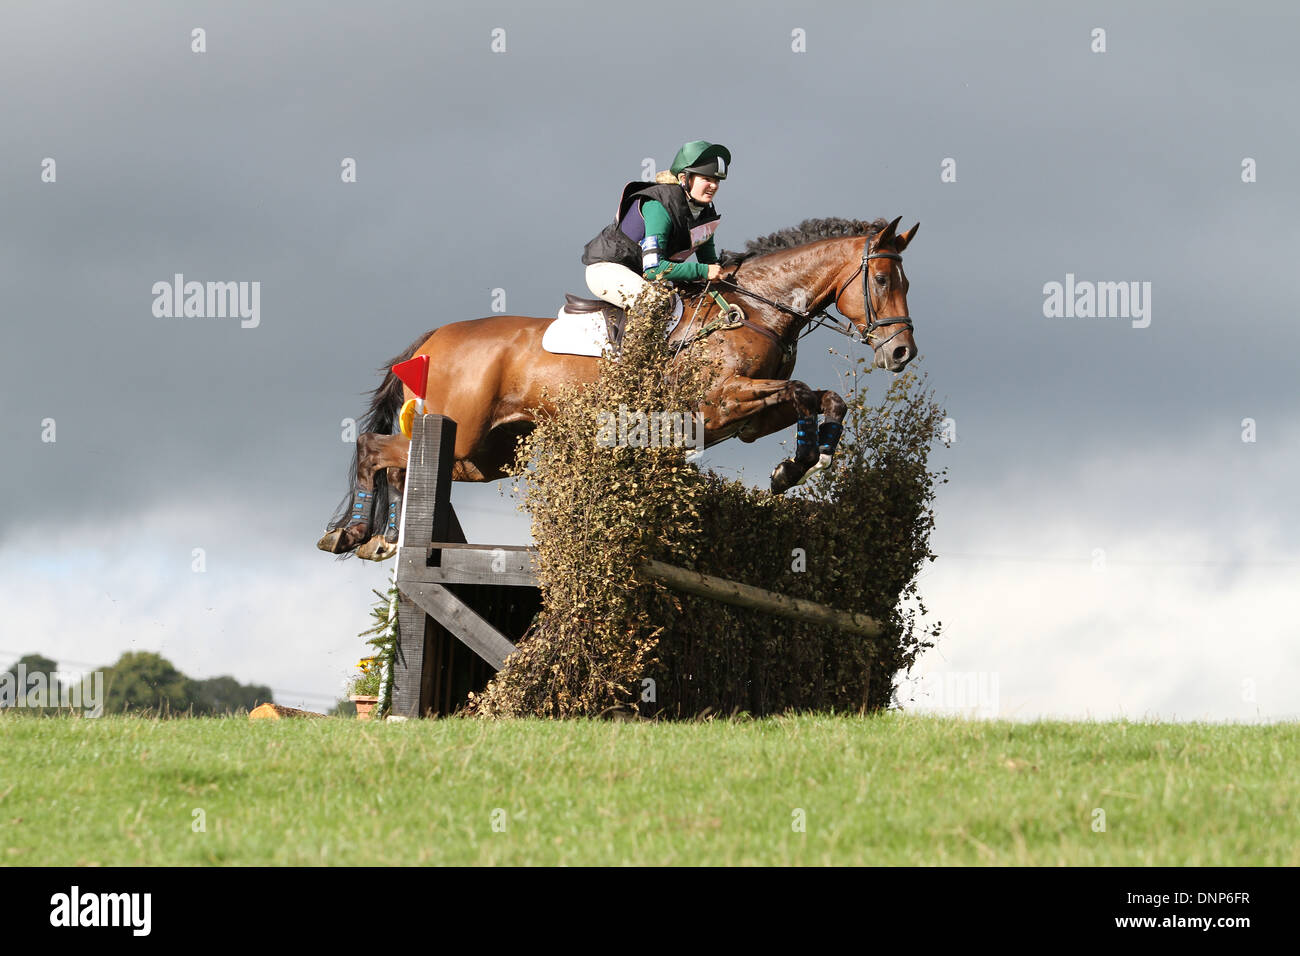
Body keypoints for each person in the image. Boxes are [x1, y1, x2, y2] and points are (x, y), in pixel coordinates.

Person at [581, 140, 730, 311]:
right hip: (609, 269)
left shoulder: (705, 214)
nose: (714, 186)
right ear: (684, 178)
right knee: (655, 303)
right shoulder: (659, 205)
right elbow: (654, 269)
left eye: (717, 180)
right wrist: (702, 271)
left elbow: (712, 265)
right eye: (707, 179)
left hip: (642, 275)